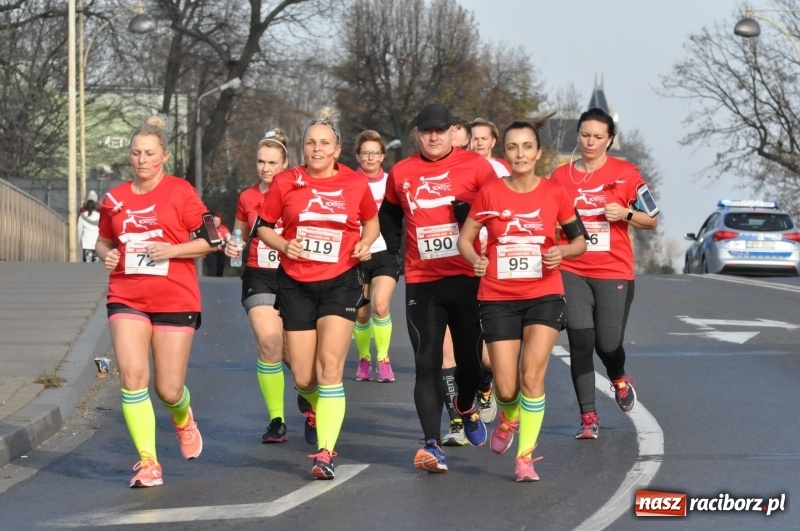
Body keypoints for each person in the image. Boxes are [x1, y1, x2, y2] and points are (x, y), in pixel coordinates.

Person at [457, 118, 587, 481]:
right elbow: (465, 239)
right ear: (505, 153)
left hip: (544, 293)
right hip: (497, 296)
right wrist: (475, 259)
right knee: (506, 386)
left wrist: (563, 251)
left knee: (532, 375)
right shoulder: (490, 194)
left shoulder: (554, 193)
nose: (520, 154)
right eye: (513, 147)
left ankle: (525, 457)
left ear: (538, 152)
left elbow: (580, 239)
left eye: (527, 146)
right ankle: (509, 415)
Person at [256, 107, 379, 480]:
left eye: (325, 142)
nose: (317, 148)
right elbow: (263, 227)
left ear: (337, 149)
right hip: (295, 283)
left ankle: (325, 452)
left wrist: (366, 242)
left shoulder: (355, 184)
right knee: (305, 377)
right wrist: (284, 245)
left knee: (329, 369)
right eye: (311, 142)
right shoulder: (286, 182)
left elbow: (370, 220)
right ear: (303, 149)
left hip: (340, 280)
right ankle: (310, 404)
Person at [95, 114, 214, 488]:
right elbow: (104, 240)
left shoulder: (181, 192)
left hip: (175, 298)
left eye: (149, 153)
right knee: (131, 378)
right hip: (126, 295)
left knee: (168, 389)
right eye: (135, 153)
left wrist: (171, 250)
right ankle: (149, 462)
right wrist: (106, 254)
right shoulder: (115, 198)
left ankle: (182, 416)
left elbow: (210, 240)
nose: (142, 160)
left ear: (164, 156)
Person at [379, 103, 496, 473]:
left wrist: (472, 226)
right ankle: (431, 444)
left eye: (440, 130)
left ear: (453, 132)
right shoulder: (401, 172)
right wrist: (395, 257)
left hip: (467, 279)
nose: (433, 136)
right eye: (426, 131)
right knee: (426, 363)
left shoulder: (477, 167)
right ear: (417, 134)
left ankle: (466, 404)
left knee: (470, 365)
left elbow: (497, 212)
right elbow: (389, 215)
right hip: (423, 281)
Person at [549, 107, 659, 439]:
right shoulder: (559, 176)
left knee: (608, 344)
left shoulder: (626, 173)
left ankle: (619, 376)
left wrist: (625, 213)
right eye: (585, 135)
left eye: (598, 137)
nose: (590, 142)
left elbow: (651, 218)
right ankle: (588, 417)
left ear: (609, 140)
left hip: (613, 270)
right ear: (577, 135)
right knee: (580, 342)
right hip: (571, 268)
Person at [225, 128, 294, 444]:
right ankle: (277, 420)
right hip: (259, 275)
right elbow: (239, 235)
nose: (266, 168)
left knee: (296, 355)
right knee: (269, 341)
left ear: (285, 163)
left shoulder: (299, 192)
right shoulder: (247, 197)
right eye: (261, 162)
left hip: (296, 276)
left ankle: (309, 398)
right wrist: (233, 247)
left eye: (272, 162)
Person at [352, 130, 400, 383]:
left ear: (382, 156)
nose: (370, 157)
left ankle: (383, 359)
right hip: (357, 255)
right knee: (361, 313)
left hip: (385, 253)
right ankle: (363, 358)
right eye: (365, 153)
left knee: (381, 306)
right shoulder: (348, 181)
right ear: (358, 156)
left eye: (375, 153)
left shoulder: (392, 182)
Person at [440, 116, 473, 446]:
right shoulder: (426, 176)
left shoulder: (489, 175)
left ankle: (488, 389)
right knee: (444, 353)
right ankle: (457, 421)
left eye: (463, 147)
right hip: (437, 276)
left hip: (480, 276)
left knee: (482, 359)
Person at [205, 212, 231, 277]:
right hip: (211, 251)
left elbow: (229, 237)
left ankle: (219, 285)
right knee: (212, 270)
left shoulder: (224, 228)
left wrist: (228, 243)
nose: (216, 222)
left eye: (218, 221)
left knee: (220, 270)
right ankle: (210, 284)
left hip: (221, 252)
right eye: (214, 220)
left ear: (220, 221)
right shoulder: (209, 228)